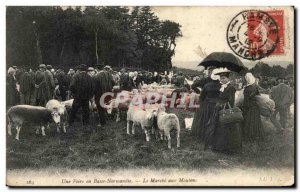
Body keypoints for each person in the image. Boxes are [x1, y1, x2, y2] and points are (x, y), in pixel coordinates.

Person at [206, 69, 241, 152]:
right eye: (221, 78)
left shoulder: (231, 88)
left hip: (225, 110)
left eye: (224, 78)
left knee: (224, 129)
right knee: (218, 128)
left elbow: (231, 101)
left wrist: (222, 105)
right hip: (219, 109)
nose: (222, 80)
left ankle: (225, 148)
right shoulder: (223, 87)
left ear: (228, 79)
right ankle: (218, 146)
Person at [191, 69, 221, 143]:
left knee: (205, 118)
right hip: (217, 104)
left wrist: (200, 92)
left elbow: (194, 87)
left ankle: (204, 135)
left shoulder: (205, 82)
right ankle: (214, 136)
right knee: (214, 119)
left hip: (206, 102)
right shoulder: (221, 85)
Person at [68, 64, 95, 131]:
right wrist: (90, 95)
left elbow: (72, 86)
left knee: (74, 110)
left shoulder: (76, 76)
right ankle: (86, 124)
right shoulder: (89, 77)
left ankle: (70, 123)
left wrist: (74, 93)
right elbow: (92, 88)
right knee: (86, 111)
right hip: (86, 98)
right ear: (86, 70)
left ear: (79, 69)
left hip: (77, 97)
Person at [242, 72, 264, 142]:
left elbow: (245, 100)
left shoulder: (247, 89)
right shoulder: (255, 87)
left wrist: (244, 108)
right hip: (255, 106)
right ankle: (257, 136)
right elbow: (258, 96)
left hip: (249, 106)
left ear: (247, 79)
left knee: (249, 121)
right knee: (256, 121)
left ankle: (250, 137)